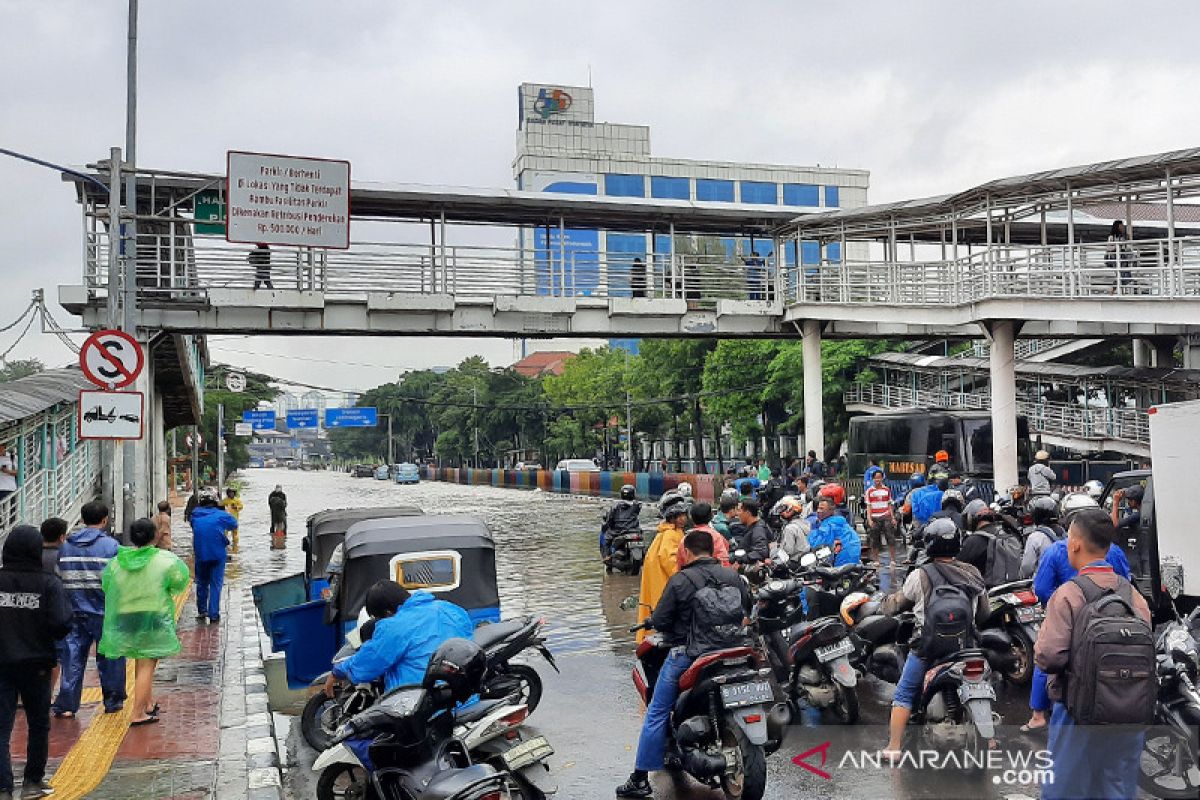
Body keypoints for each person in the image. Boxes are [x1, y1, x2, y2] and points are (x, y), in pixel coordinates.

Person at [616, 529, 751, 798]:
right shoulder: (732, 576)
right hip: (734, 648)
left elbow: (663, 621)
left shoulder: (681, 580)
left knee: (656, 711)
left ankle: (640, 779)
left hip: (690, 653)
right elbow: (746, 608)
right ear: (712, 551)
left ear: (686, 552)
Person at [1034, 508, 1151, 799]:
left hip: (1078, 712)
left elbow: (1049, 657)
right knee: (1117, 789)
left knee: (1065, 790)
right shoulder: (1134, 596)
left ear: (1073, 544)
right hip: (1129, 712)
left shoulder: (1068, 594)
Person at [880, 518, 989, 760]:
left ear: (928, 545)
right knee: (981, 683)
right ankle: (989, 741)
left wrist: (883, 605)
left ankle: (894, 747)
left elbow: (897, 604)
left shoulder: (920, 575)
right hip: (965, 646)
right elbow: (984, 613)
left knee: (904, 693)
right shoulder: (973, 573)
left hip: (928, 648)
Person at [1023, 495, 1131, 735]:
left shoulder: (1058, 557)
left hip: (1069, 628)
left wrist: (1063, 610)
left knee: (1045, 654)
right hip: (1114, 634)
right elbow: (1127, 585)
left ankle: (1038, 715)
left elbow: (1041, 590)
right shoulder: (1116, 554)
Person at [0, 525, 72, 800]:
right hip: (37, 664)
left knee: (1, 727)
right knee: (38, 724)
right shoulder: (48, 583)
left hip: (2, 663)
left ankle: (3, 787)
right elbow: (62, 623)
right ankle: (32, 782)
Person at [98, 518, 190, 727]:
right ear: (155, 536)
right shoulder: (165, 559)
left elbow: (107, 585)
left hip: (126, 616)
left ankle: (147, 703)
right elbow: (180, 581)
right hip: (153, 614)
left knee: (142, 660)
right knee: (147, 663)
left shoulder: (117, 562)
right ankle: (138, 712)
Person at [324, 580, 474, 696]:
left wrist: (337, 672)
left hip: (420, 701)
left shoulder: (393, 626)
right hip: (464, 695)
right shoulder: (450, 608)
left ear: (388, 612)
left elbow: (370, 661)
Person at [53, 502, 125, 718]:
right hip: (104, 611)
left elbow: (59, 576)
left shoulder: (65, 546)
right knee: (110, 656)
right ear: (104, 520)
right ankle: (112, 701)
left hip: (73, 611)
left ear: (83, 520)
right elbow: (118, 581)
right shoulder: (112, 546)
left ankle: (66, 704)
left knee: (72, 657)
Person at [635, 497, 689, 643]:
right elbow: (670, 562)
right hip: (664, 586)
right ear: (674, 518)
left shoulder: (668, 532)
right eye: (681, 515)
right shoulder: (671, 535)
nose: (685, 518)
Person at [189, 489, 238, 624]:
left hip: (201, 554)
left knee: (202, 583)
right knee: (216, 584)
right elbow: (234, 524)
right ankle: (214, 614)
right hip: (218, 555)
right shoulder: (221, 515)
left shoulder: (194, 516)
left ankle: (202, 611)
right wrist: (226, 511)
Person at [863, 471, 898, 591]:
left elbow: (889, 504)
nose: (878, 480)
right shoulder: (869, 491)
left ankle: (893, 560)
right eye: (876, 478)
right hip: (875, 517)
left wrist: (892, 517)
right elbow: (868, 506)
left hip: (886, 516)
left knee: (890, 538)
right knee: (874, 540)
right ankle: (876, 560)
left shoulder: (887, 490)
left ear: (882, 478)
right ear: (873, 479)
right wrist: (869, 519)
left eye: (879, 478)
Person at [807, 497, 862, 567]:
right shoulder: (842, 523)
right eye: (818, 508)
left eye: (821, 508)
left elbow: (816, 545)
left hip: (839, 565)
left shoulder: (829, 526)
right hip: (853, 561)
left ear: (831, 510)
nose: (818, 511)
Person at [1020, 496, 1064, 580]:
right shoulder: (1063, 533)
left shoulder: (1035, 537)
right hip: (1064, 582)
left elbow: (1027, 567)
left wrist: (1021, 577)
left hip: (1043, 584)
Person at [677, 503, 730, 567]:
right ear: (711, 516)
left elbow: (680, 563)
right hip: (713, 575)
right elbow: (724, 561)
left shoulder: (685, 539)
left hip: (690, 575)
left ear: (692, 518)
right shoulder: (717, 537)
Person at [602, 485, 643, 563]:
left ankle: (607, 557)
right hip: (634, 531)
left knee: (606, 540)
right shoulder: (637, 505)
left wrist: (609, 525)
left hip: (618, 531)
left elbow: (610, 519)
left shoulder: (615, 506)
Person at [732, 498, 772, 566]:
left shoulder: (758, 530)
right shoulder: (754, 526)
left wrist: (740, 558)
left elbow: (761, 552)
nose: (737, 514)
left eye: (739, 510)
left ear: (748, 513)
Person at [1105, 220, 1135, 294]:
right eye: (1121, 226)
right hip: (1115, 257)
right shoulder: (1112, 237)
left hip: (1122, 257)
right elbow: (1108, 248)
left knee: (1125, 275)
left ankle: (1114, 289)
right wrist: (1117, 246)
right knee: (1121, 274)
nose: (1122, 227)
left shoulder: (1122, 236)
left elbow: (1126, 246)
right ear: (1117, 226)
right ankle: (1114, 289)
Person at [220, 488, 243, 553]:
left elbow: (241, 506)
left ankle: (235, 547)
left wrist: (236, 507)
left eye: (232, 493)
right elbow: (220, 505)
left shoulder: (237, 500)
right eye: (230, 493)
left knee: (235, 534)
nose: (231, 494)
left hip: (234, 519)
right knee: (225, 533)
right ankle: (224, 545)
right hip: (226, 519)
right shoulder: (225, 500)